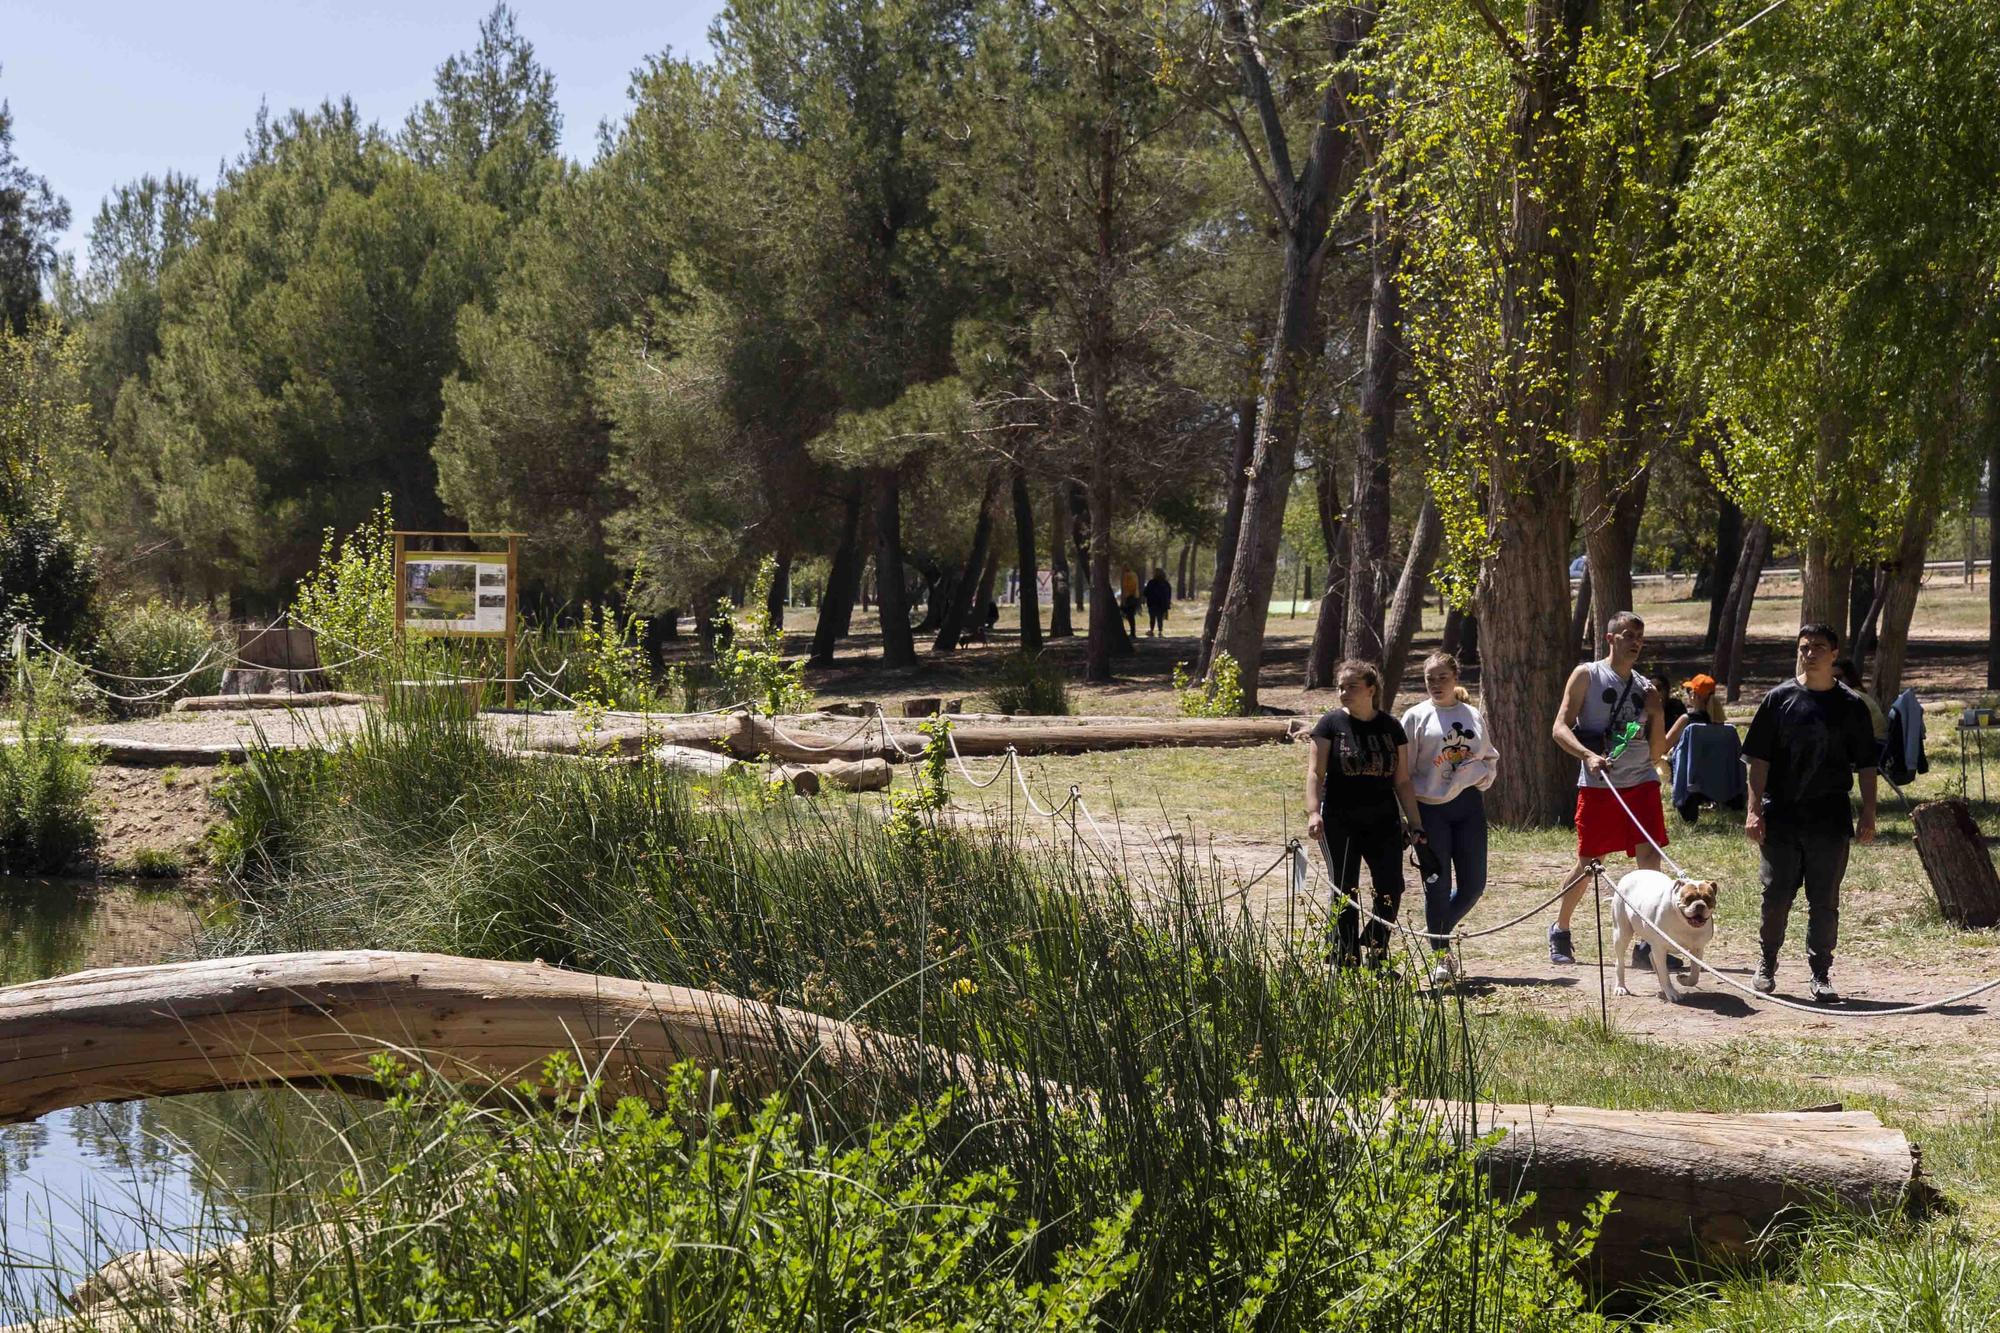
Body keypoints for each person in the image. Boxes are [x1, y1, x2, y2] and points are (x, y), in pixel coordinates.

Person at [1744, 623, 1879, 1003]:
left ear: (1834, 654)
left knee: (1824, 901)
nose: (1810, 653)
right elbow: (1757, 761)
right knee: (1775, 897)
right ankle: (1767, 962)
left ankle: (1821, 973)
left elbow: (1867, 766)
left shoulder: (1852, 706)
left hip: (1830, 819)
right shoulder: (1778, 699)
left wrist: (1868, 813)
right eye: (1804, 647)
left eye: (1819, 646)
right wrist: (1754, 811)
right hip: (1782, 816)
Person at [1548, 611, 1668, 967]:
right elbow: (1560, 727)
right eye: (1628, 635)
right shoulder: (1587, 674)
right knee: (1590, 864)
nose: (1635, 643)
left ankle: (1647, 943)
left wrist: (1657, 713)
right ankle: (1560, 929)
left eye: (1640, 638)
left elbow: (1657, 751)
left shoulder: (1646, 687)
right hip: (1600, 785)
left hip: (1641, 781)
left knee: (1650, 862)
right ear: (1610, 638)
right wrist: (1587, 755)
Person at [1306, 660, 1427, 970]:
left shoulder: (1391, 727)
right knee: (1344, 889)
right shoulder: (1329, 725)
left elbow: (1401, 780)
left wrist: (1415, 823)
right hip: (1339, 821)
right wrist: (1313, 812)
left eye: (1352, 687)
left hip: (1384, 821)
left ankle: (1376, 946)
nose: (1344, 692)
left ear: (1371, 690)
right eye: (1341, 687)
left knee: (1391, 887)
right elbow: (1315, 774)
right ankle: (1345, 956)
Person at [1400, 651, 1499, 984]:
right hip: (1429, 810)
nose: (1436, 684)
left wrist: (1482, 775)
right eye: (1430, 678)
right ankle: (1441, 956)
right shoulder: (1414, 717)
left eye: (1443, 677)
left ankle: (1437, 932)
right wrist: (1410, 818)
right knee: (1437, 886)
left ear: (1455, 678)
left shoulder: (1471, 714)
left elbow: (1488, 755)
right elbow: (1404, 771)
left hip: (1469, 807)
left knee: (1473, 885)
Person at [1833, 657, 1889, 745]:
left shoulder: (1852, 697)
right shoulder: (1855, 694)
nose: (1834, 681)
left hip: (1873, 748)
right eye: (1829, 678)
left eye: (1838, 677)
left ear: (1849, 677)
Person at [1664, 673, 1727, 751]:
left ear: (1695, 695)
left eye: (1689, 690)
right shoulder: (1719, 721)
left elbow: (1664, 747)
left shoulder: (1686, 719)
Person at [1142, 568, 1173, 636]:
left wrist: (1144, 599)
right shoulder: (1166, 583)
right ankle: (1160, 631)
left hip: (1152, 603)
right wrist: (1167, 603)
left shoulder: (1151, 582)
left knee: (1152, 618)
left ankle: (1152, 631)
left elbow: (1146, 592)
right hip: (1162, 604)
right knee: (1160, 618)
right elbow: (1169, 594)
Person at [1119, 567, 1141, 639]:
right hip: (1135, 597)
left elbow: (1126, 587)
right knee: (1130, 616)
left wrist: (1124, 599)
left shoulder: (1127, 575)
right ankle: (1132, 632)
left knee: (1129, 615)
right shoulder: (1134, 574)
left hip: (1129, 597)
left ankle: (1132, 633)